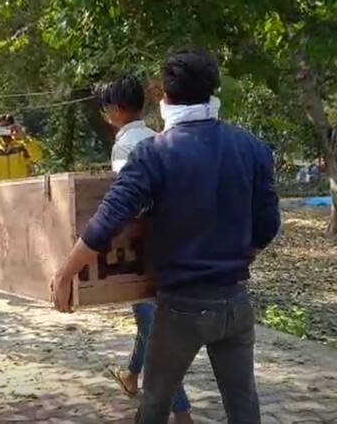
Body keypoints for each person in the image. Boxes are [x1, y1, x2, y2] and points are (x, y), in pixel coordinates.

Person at [50, 49, 280, 424]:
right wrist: (241, 256)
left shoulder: (153, 154)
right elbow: (268, 224)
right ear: (213, 91)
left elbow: (108, 220)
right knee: (243, 407)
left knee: (155, 404)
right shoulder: (252, 147)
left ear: (164, 95)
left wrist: (65, 274)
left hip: (181, 308)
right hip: (236, 303)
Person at [98, 75, 193, 424]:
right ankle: (130, 375)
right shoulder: (160, 137)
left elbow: (129, 201)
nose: (105, 114)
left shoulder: (124, 147)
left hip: (142, 248)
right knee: (147, 319)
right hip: (174, 242)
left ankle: (181, 412)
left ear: (116, 109)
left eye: (106, 108)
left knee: (153, 329)